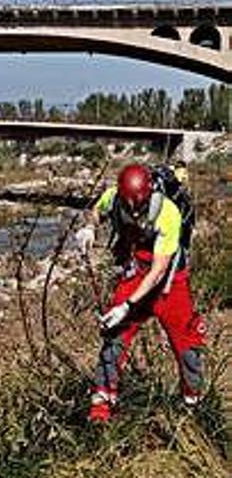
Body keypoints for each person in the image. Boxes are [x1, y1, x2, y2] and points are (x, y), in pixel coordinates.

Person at [84, 164, 204, 423]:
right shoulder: (113, 197)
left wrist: (127, 306)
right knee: (114, 337)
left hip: (171, 282)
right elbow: (97, 210)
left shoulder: (167, 213)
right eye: (130, 208)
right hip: (136, 270)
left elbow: (159, 271)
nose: (135, 212)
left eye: (139, 207)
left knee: (187, 345)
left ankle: (192, 403)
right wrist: (90, 228)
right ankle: (101, 407)